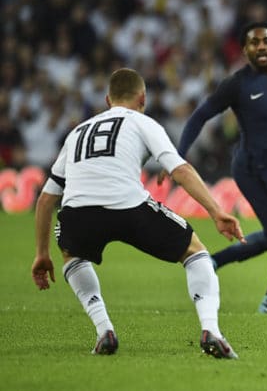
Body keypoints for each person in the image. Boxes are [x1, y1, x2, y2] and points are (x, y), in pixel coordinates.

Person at [31, 68, 244, 359]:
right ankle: (211, 330)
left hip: (77, 212)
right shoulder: (142, 122)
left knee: (72, 255)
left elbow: (45, 200)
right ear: (142, 98)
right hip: (128, 206)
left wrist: (42, 253)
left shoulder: (77, 132)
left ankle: (104, 330)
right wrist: (217, 211)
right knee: (195, 253)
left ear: (108, 100)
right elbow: (180, 169)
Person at [176, 22, 267, 315]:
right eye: (254, 42)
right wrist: (178, 155)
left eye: (266, 40)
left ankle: (211, 263)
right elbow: (200, 115)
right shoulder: (237, 84)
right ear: (245, 49)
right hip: (252, 168)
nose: (261, 46)